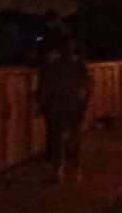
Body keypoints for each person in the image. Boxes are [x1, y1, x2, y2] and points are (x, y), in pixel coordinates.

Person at [37, 37, 91, 182]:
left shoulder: (54, 66)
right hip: (75, 106)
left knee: (58, 139)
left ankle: (60, 170)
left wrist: (40, 105)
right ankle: (77, 168)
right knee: (75, 137)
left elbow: (47, 87)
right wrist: (84, 103)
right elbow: (86, 87)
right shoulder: (79, 66)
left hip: (58, 107)